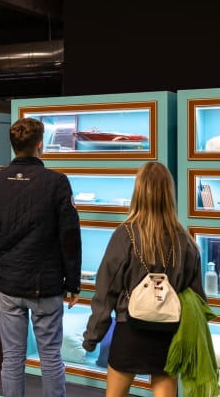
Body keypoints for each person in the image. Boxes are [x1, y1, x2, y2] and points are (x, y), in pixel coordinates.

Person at [0, 117, 82, 397]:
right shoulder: (57, 182)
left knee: (12, 358)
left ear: (13, 146)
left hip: (8, 282)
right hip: (46, 284)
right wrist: (73, 282)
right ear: (40, 145)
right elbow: (70, 235)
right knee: (50, 358)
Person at [82, 162, 206, 397]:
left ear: (138, 192)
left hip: (129, 330)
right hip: (168, 336)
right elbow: (197, 300)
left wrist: (92, 337)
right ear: (169, 194)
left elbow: (105, 292)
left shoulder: (124, 234)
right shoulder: (187, 243)